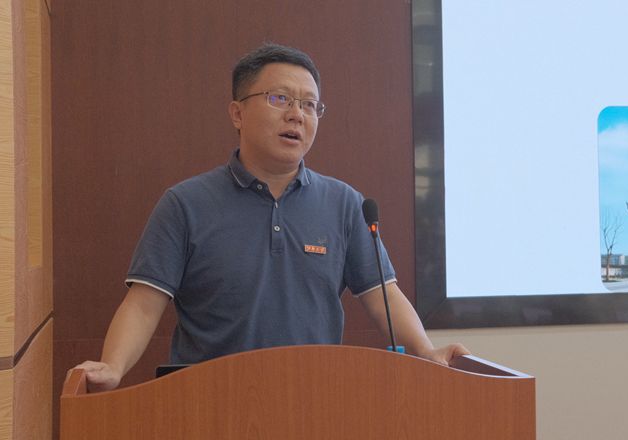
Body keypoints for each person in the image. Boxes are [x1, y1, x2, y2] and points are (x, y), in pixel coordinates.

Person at [73, 43, 469, 392]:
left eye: (310, 105)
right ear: (237, 113)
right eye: (280, 98)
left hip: (314, 399)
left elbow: (384, 295)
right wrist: (113, 366)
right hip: (206, 402)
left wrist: (425, 351)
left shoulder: (344, 204)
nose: (297, 115)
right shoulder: (185, 203)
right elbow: (144, 304)